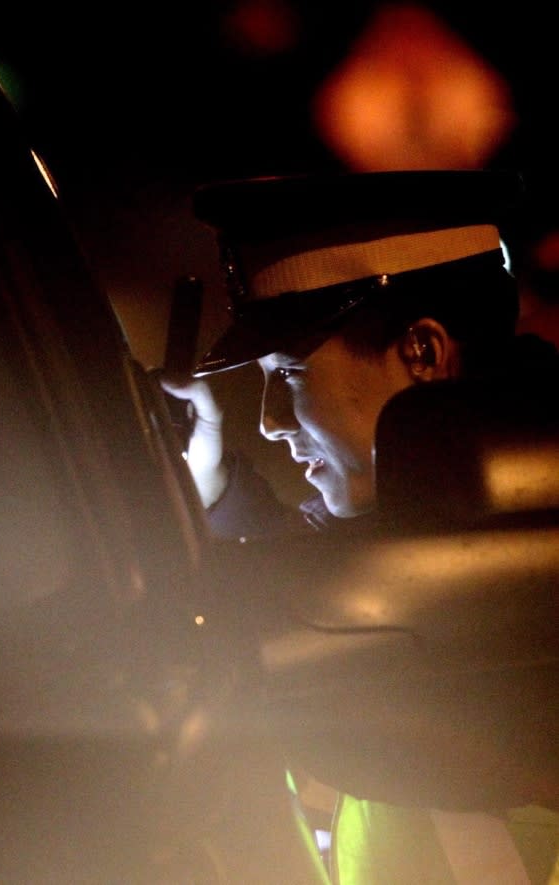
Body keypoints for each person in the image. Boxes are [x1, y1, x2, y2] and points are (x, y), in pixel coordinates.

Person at [162, 169, 559, 884]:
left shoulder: (525, 592)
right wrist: (215, 480)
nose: (269, 423)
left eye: (288, 376)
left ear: (422, 353)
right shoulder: (459, 534)